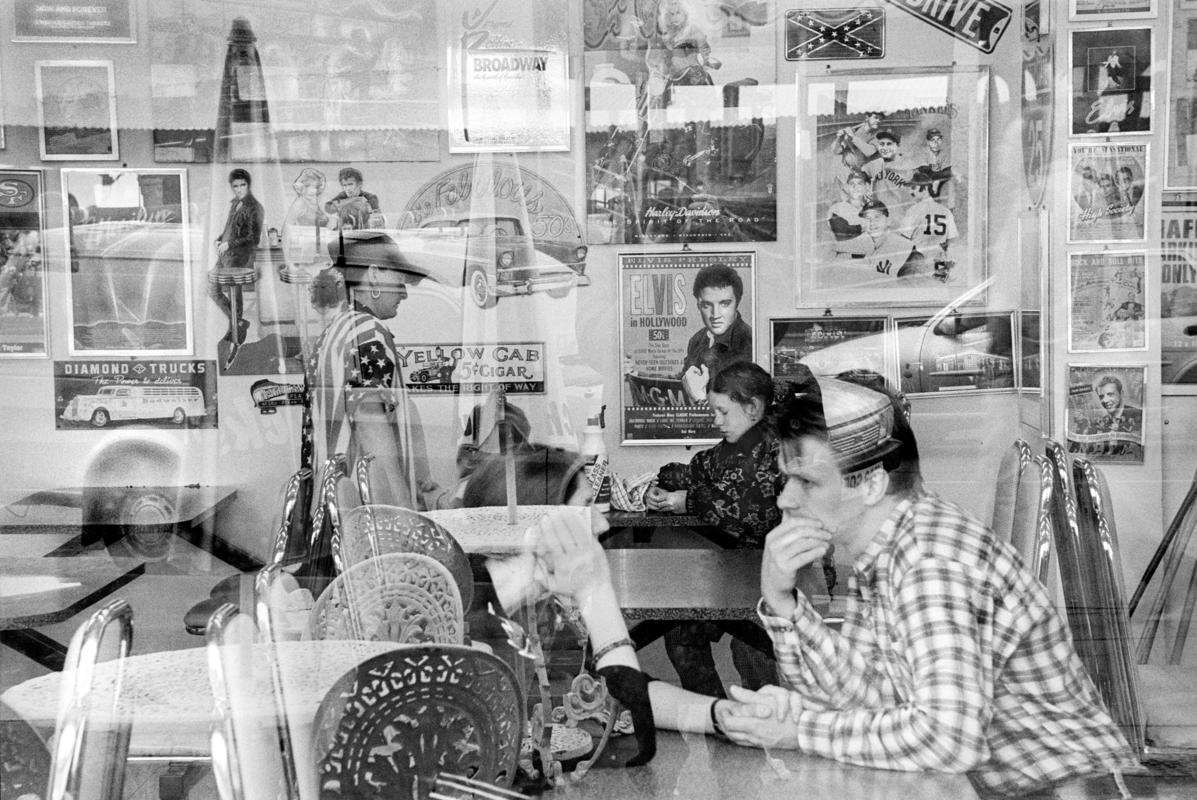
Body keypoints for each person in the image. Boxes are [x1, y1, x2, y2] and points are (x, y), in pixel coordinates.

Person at [517, 372, 1134, 798]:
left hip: (1062, 791)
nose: (785, 498)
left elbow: (946, 739)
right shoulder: (881, 549)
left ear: (868, 484)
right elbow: (864, 697)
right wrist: (784, 607)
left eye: (806, 482)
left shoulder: (930, 561)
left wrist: (798, 727)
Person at [644, 362, 789, 696]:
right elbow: (697, 471)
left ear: (753, 408)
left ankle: (765, 723)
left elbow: (753, 514)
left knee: (751, 647)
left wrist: (687, 501)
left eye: (723, 411)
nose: (716, 420)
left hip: (777, 577)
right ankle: (717, 713)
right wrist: (660, 483)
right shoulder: (734, 447)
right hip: (737, 573)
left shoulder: (777, 447)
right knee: (682, 634)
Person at [301, 233, 438, 584]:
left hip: (333, 515)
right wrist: (405, 515)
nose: (405, 292)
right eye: (399, 279)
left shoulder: (333, 332)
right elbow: (371, 426)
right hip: (370, 522)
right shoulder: (368, 334)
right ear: (374, 275)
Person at [210, 168, 264, 367]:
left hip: (238, 256)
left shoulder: (255, 207)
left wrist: (230, 244)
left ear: (249, 185)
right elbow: (228, 229)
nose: (240, 189)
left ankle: (236, 337)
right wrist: (219, 240)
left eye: (243, 185)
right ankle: (238, 323)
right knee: (212, 289)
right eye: (236, 186)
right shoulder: (234, 204)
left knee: (234, 294)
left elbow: (253, 238)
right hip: (225, 254)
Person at [680, 263, 752, 403]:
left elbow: (742, 413)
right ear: (699, 305)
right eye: (707, 305)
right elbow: (683, 379)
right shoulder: (697, 339)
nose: (715, 315)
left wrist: (700, 399)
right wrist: (637, 374)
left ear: (737, 303)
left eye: (724, 304)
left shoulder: (749, 341)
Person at [834, 199, 924, 279]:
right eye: (867, 218)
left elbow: (912, 289)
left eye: (877, 217)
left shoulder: (905, 249)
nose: (872, 222)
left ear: (888, 221)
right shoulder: (858, 246)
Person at [899, 167, 958, 275]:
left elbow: (903, 241)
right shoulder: (946, 211)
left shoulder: (914, 210)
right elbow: (952, 242)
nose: (911, 191)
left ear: (925, 188)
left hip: (918, 264)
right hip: (939, 264)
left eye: (913, 187)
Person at [1085, 374, 1144, 460]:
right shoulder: (1103, 422)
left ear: (1121, 394)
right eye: (1101, 396)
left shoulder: (1139, 415)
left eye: (1110, 394)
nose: (1105, 400)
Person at [861, 129, 914, 215]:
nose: (885, 148)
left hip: (901, 216)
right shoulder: (875, 164)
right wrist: (865, 189)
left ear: (898, 146)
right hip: (880, 216)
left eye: (889, 144)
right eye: (882, 144)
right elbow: (860, 174)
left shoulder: (908, 166)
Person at [827, 169, 869, 242]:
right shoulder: (838, 208)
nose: (855, 187)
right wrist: (863, 227)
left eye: (860, 183)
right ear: (847, 187)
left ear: (866, 186)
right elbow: (841, 232)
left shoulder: (873, 208)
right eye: (852, 184)